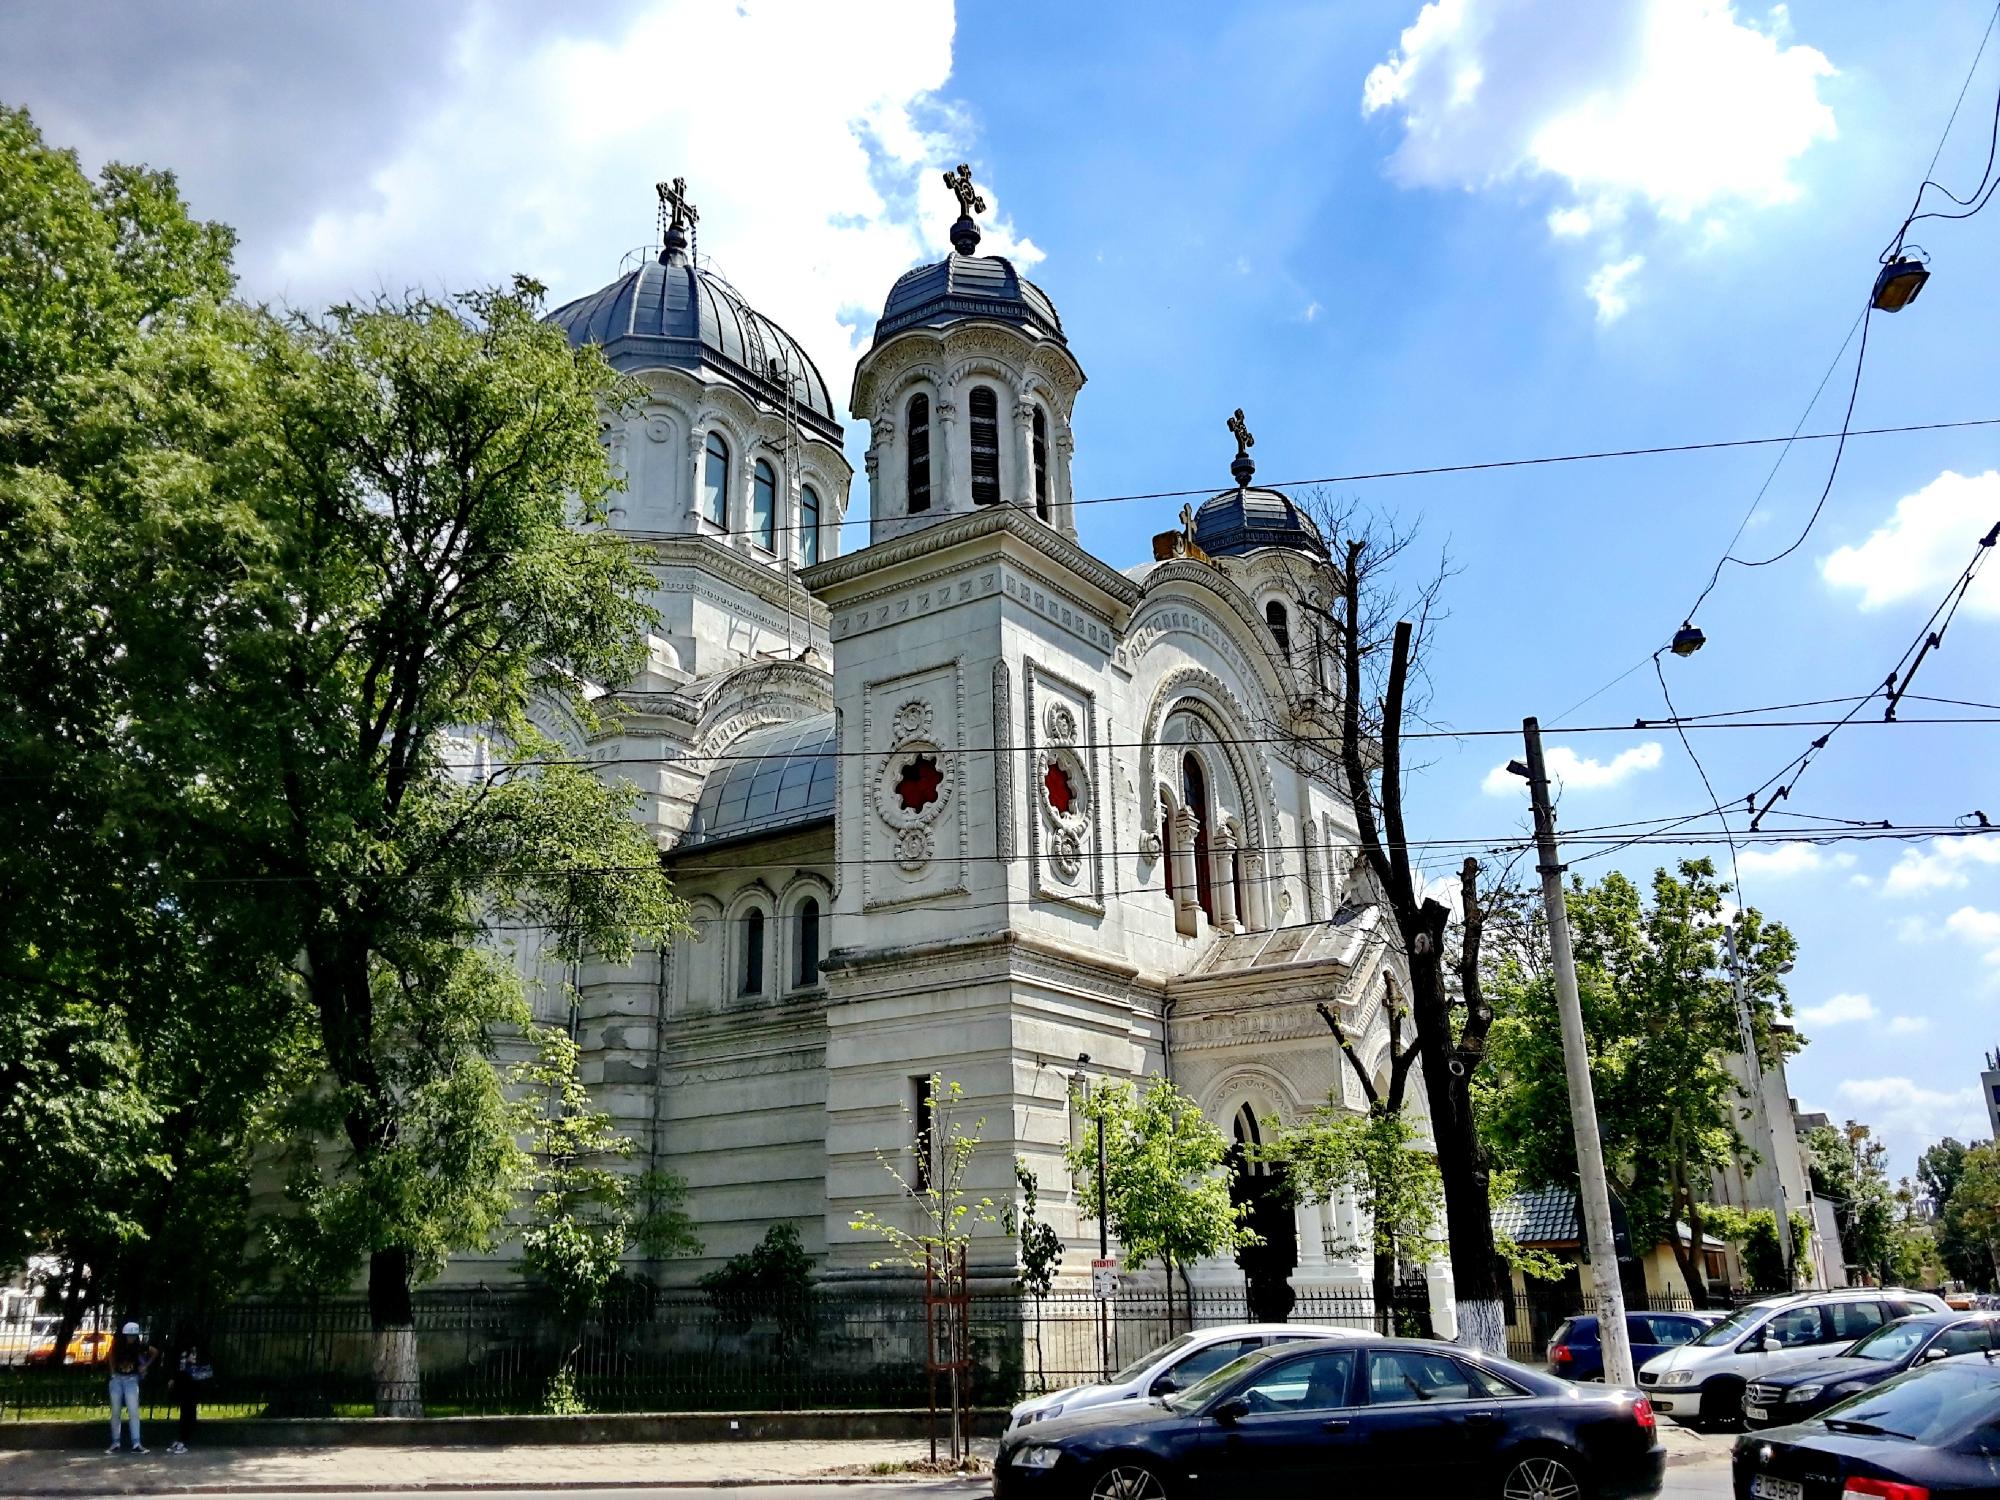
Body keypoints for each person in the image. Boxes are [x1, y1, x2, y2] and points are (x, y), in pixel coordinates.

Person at [106, 1321, 157, 1454]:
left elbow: (154, 1352)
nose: (131, 1338)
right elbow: (110, 1354)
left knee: (133, 1410)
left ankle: (136, 1442)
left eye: (133, 1336)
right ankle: (115, 1442)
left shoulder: (139, 1346)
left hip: (131, 1380)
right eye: (129, 1336)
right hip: (117, 1379)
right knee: (116, 1411)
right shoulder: (118, 1345)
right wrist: (112, 1373)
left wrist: (145, 1365)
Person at [168, 1339, 212, 1455]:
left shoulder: (194, 1348)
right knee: (185, 1411)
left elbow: (192, 1363)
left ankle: (183, 1439)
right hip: (186, 1383)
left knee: (188, 1412)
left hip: (192, 1384)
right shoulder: (185, 1348)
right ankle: (181, 1438)